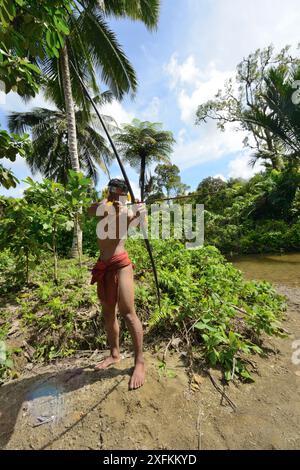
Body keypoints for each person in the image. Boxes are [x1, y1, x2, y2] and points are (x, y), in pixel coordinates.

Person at [88, 179, 147, 390]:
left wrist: (140, 212)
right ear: (109, 191)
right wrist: (111, 205)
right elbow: (90, 210)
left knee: (128, 312)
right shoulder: (102, 206)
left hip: (121, 264)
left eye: (121, 193)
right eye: (113, 191)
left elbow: (133, 225)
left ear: (125, 194)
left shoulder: (126, 211)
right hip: (103, 265)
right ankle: (115, 354)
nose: (116, 195)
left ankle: (139, 362)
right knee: (108, 313)